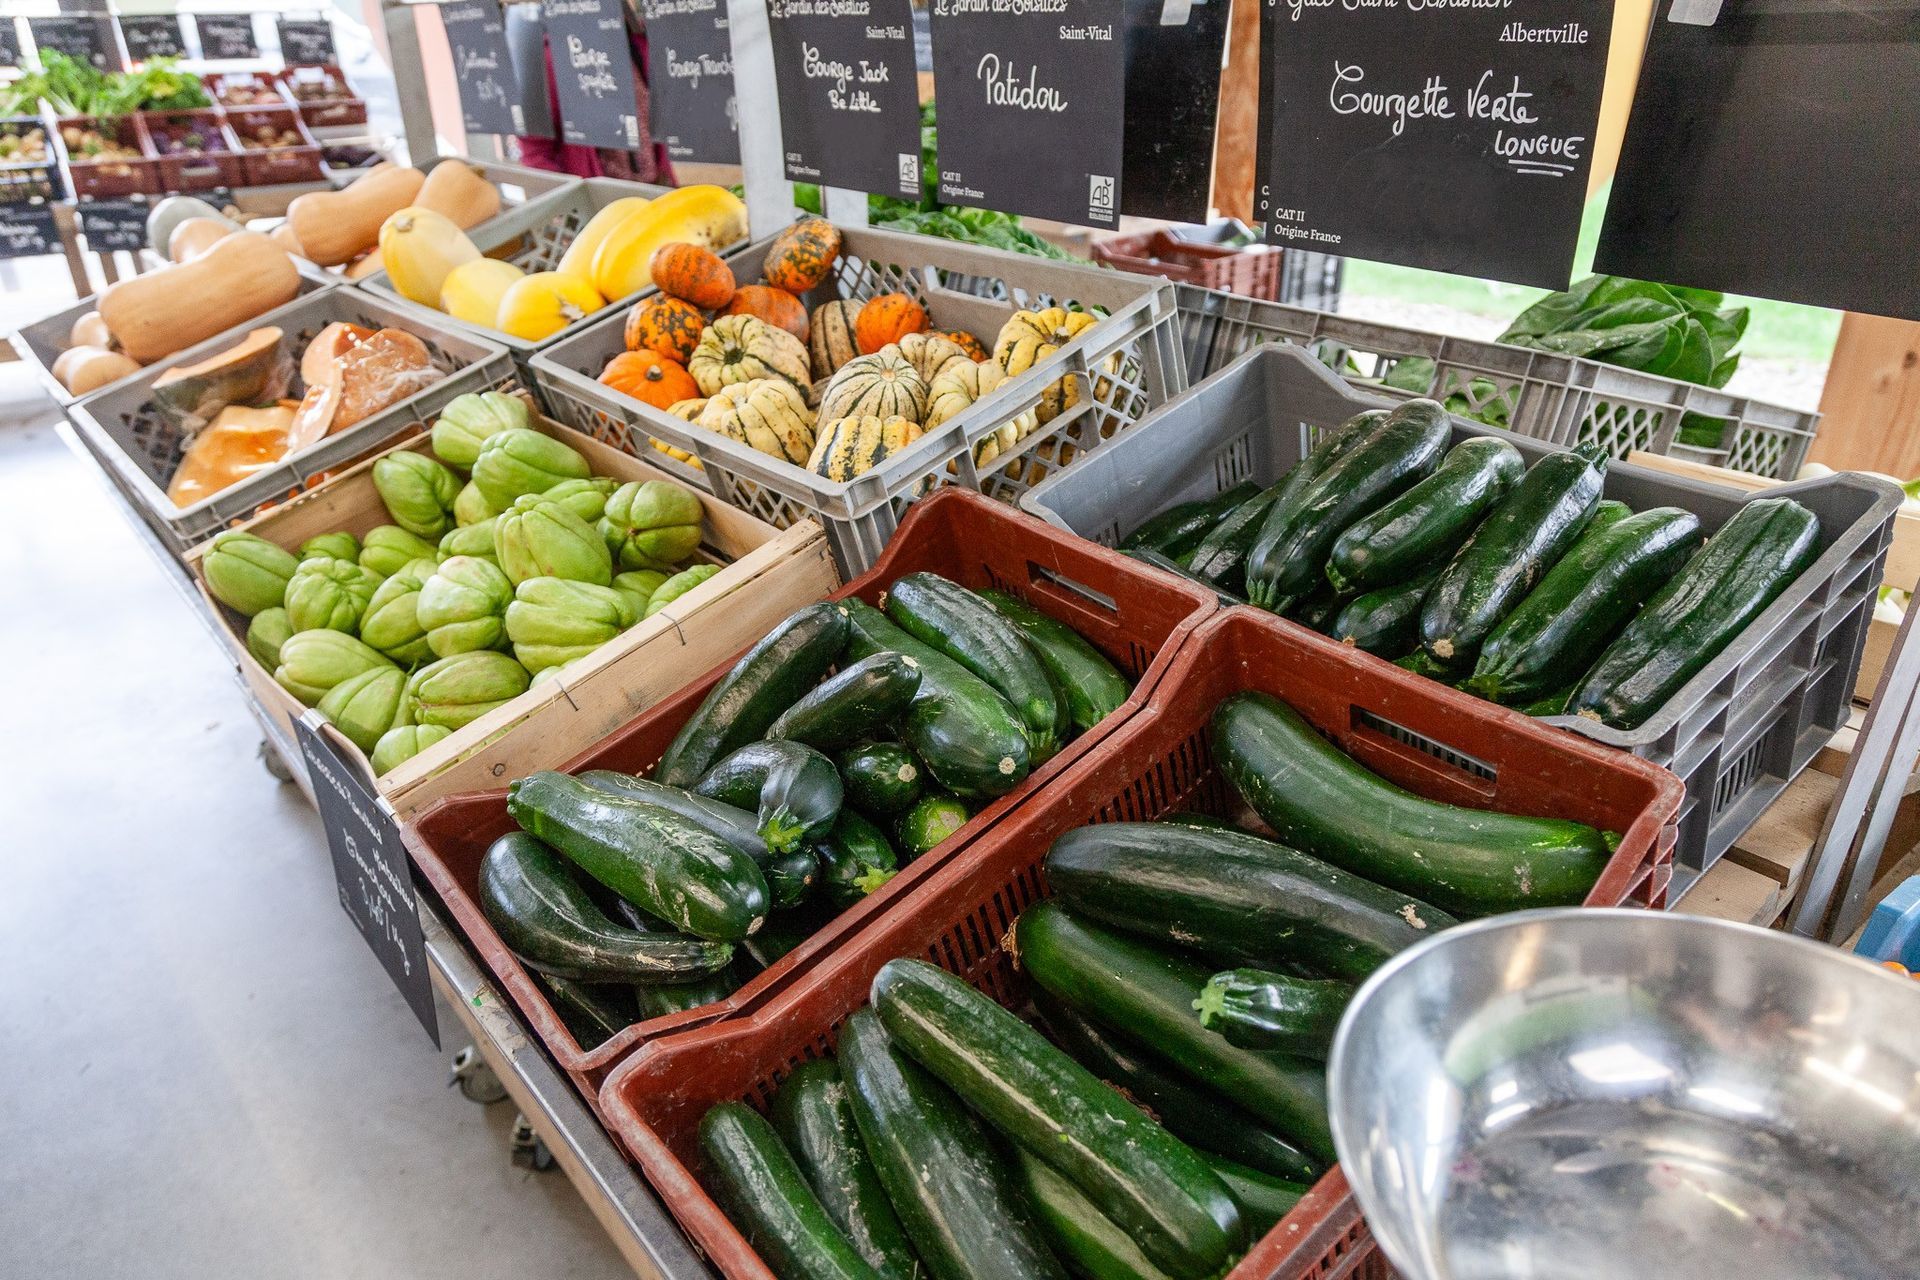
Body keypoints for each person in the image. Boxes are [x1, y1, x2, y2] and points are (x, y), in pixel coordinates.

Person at [511, 5, 675, 184]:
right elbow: (536, 152)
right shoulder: (550, 59)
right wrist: (571, 202)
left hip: (654, 188)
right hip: (595, 200)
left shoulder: (636, 42)